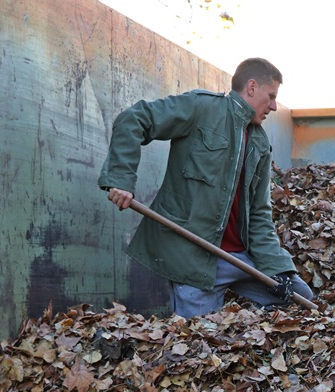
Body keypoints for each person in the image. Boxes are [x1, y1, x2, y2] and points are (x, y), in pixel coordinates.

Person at [98, 57, 313, 317]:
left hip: (241, 259)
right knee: (200, 338)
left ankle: (249, 331)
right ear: (252, 87)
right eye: (271, 97)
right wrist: (121, 179)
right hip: (195, 257)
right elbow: (135, 119)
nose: (274, 106)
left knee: (299, 297)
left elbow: (259, 215)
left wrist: (278, 269)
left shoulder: (259, 143)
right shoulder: (201, 108)